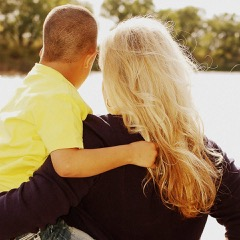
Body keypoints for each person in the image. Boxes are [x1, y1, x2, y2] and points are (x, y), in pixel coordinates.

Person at [1, 16, 240, 240]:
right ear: (172, 72)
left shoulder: (90, 142)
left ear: (113, 77)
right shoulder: (203, 154)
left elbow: (11, 219)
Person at [0, 5, 157, 193]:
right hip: (10, 199)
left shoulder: (30, 85)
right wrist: (131, 153)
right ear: (89, 59)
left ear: (42, 51)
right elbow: (67, 164)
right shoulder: (58, 95)